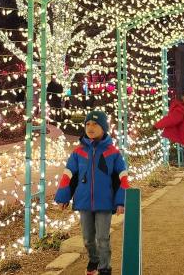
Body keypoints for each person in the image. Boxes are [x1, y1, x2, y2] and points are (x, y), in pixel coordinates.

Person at [55, 110, 128, 275]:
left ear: (104, 128)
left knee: (103, 238)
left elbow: (122, 178)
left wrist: (120, 201)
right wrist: (63, 197)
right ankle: (94, 259)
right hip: (84, 202)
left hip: (105, 202)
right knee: (88, 239)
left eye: (95, 124)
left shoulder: (113, 153)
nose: (90, 127)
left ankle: (104, 268)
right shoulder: (78, 152)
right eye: (87, 124)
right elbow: (69, 176)